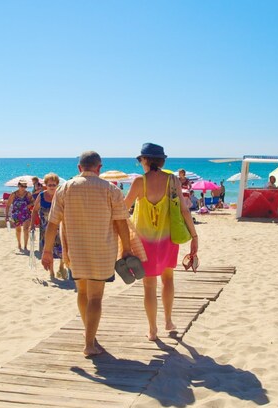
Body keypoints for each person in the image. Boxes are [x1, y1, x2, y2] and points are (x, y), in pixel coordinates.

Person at [41, 151, 132, 357]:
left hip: (76, 250)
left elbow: (52, 223)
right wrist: (126, 248)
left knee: (82, 293)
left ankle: (89, 334)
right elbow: (121, 223)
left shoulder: (64, 189)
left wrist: (47, 251)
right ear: (99, 168)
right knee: (96, 298)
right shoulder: (111, 190)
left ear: (79, 168)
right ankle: (89, 344)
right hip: (102, 250)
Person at [125, 143, 199, 341]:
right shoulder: (173, 181)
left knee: (149, 286)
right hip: (167, 239)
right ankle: (168, 320)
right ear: (163, 161)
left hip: (143, 241)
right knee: (168, 280)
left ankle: (152, 330)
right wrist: (194, 236)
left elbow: (122, 209)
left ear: (145, 161)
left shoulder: (139, 182)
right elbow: (184, 211)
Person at [32, 173, 67, 279]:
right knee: (48, 250)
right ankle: (51, 272)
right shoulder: (41, 196)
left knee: (62, 249)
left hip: (59, 228)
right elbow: (34, 211)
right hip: (45, 229)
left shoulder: (61, 195)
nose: (52, 187)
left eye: (54, 185)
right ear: (46, 185)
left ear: (57, 185)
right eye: (50, 185)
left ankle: (61, 267)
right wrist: (32, 225)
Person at [6, 181, 34, 252]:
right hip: (16, 214)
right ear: (18, 185)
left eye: (25, 186)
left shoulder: (28, 194)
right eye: (22, 186)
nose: (23, 188)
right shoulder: (13, 194)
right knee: (18, 230)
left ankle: (25, 246)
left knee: (26, 229)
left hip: (26, 214)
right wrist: (6, 215)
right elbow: (8, 205)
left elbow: (33, 202)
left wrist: (29, 205)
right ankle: (19, 244)